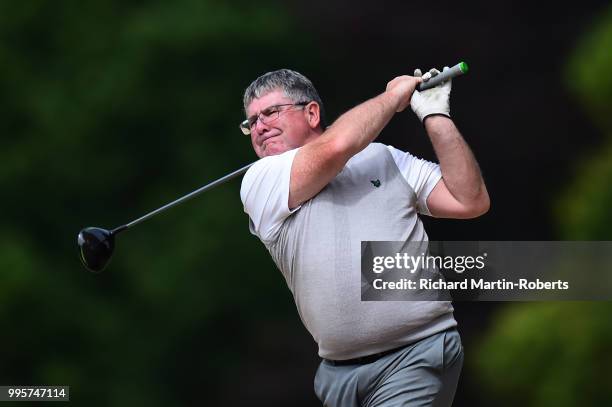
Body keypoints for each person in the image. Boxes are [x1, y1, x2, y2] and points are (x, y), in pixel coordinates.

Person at [239, 68, 489, 406]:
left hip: (416, 353)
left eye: (270, 112)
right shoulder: (261, 180)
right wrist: (392, 97)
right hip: (337, 375)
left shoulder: (383, 158)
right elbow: (336, 146)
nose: (259, 127)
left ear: (312, 113)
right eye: (251, 122)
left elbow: (469, 200)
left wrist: (434, 114)